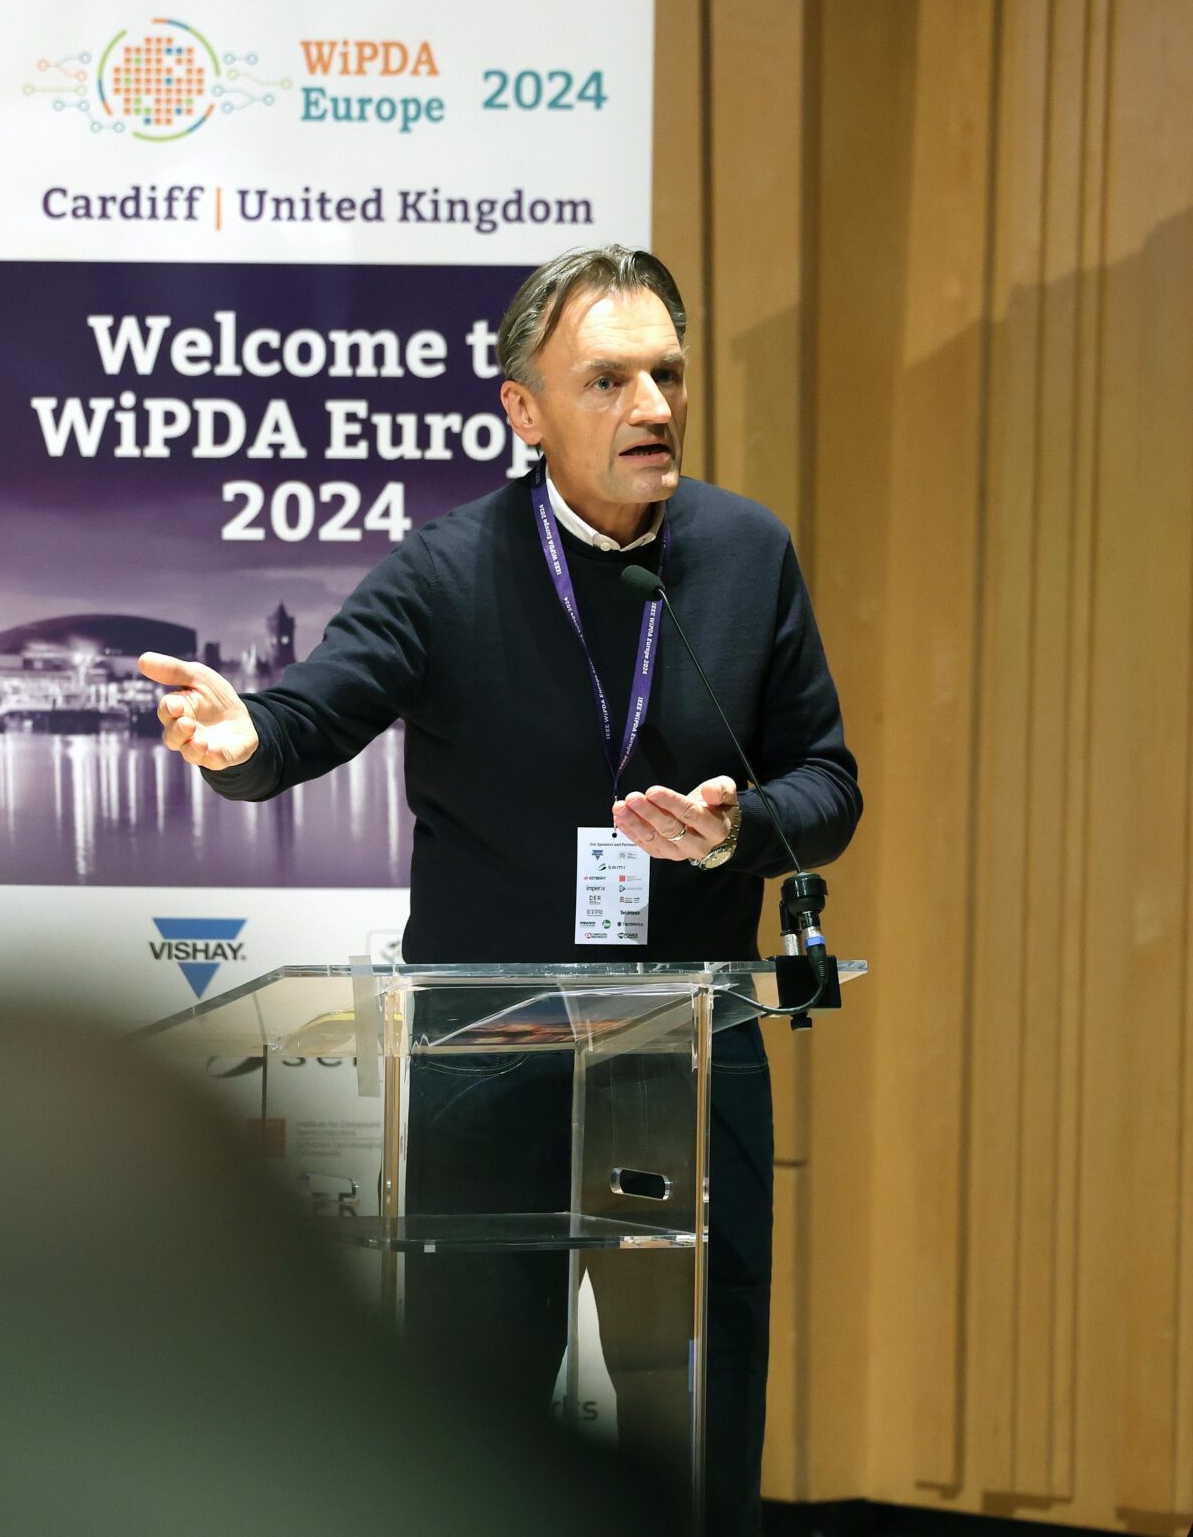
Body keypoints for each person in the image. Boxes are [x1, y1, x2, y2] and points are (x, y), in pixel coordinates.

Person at [138, 244, 862, 1536]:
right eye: (606, 381)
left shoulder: (747, 557)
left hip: (686, 1044)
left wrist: (736, 829)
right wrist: (243, 743)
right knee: (478, 1410)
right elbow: (305, 717)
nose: (651, 407)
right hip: (491, 1047)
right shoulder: (449, 570)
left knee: (689, 1394)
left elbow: (827, 783)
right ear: (524, 412)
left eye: (667, 375)